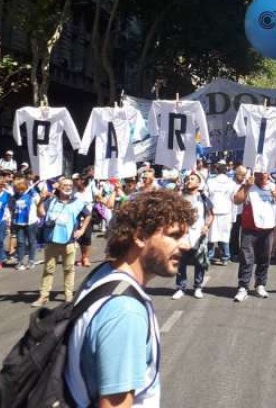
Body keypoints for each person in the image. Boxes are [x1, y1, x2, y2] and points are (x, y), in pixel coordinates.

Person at [65, 189, 195, 408]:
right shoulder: (125, 311)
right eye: (174, 235)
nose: (186, 245)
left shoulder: (104, 273)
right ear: (141, 236)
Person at [32, 178, 93, 307]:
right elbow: (40, 214)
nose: (68, 187)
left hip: (69, 241)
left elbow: (88, 215)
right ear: (59, 187)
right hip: (52, 240)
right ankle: (43, 296)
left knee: (69, 269)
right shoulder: (51, 201)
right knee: (48, 269)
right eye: (65, 185)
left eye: (70, 185)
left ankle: (68, 295)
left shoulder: (77, 202)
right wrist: (41, 201)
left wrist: (81, 230)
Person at [232, 171, 276, 302]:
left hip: (268, 229)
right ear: (255, 175)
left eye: (266, 174)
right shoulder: (249, 186)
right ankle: (243, 287)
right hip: (249, 228)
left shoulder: (273, 186)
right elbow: (236, 200)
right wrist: (246, 187)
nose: (264, 177)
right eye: (260, 174)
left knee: (264, 258)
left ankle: (260, 285)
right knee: (246, 259)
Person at [173, 172, 211, 300]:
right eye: (188, 179)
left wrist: (206, 226)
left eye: (192, 179)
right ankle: (180, 287)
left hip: (198, 234)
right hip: (183, 235)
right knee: (181, 262)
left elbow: (211, 214)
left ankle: (198, 287)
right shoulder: (180, 196)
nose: (189, 181)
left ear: (198, 183)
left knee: (199, 262)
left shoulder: (203, 198)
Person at [207, 161, 236, 264]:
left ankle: (209, 257)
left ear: (216, 170)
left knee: (211, 236)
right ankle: (225, 257)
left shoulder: (210, 182)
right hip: (226, 212)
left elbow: (206, 197)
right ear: (227, 170)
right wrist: (234, 218)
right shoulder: (232, 183)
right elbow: (234, 201)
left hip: (212, 212)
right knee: (224, 235)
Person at [10, 177, 42, 270]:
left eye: (16, 187)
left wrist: (39, 217)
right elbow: (11, 208)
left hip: (31, 222)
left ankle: (31, 260)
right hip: (18, 222)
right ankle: (20, 261)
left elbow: (39, 205)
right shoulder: (14, 196)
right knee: (20, 242)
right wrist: (12, 220)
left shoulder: (33, 194)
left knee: (32, 241)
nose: (14, 189)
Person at [73, 174, 97, 267]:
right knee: (80, 238)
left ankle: (86, 258)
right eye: (74, 180)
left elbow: (98, 195)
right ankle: (82, 257)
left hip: (88, 216)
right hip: (77, 217)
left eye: (77, 179)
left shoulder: (90, 188)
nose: (75, 181)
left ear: (82, 180)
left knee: (87, 237)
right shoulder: (73, 191)